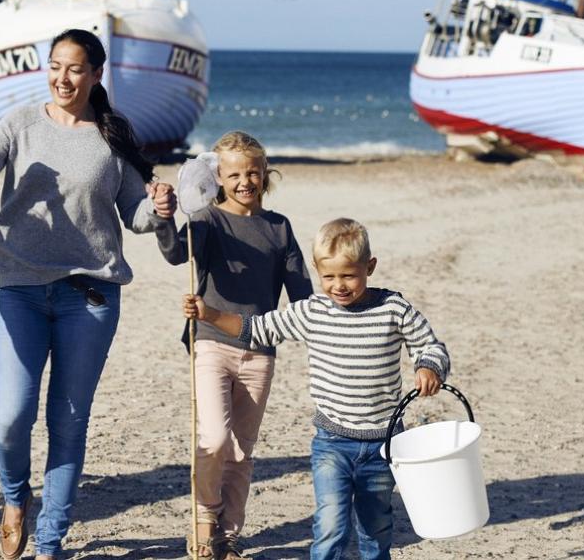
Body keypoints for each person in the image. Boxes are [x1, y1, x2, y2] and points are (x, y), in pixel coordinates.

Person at [0, 28, 176, 560]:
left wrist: (159, 206)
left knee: (68, 421)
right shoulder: (20, 123)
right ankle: (13, 497)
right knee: (10, 417)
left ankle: (50, 541)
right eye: (54, 66)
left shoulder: (113, 139)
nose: (62, 78)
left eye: (74, 68)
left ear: (96, 75)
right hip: (18, 287)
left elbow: (136, 216)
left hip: (89, 296)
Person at [183, 218, 451, 560]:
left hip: (383, 445)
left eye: (348, 276)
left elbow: (431, 345)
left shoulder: (393, 309)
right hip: (332, 444)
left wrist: (428, 366)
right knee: (331, 525)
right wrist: (210, 314)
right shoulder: (312, 311)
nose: (338, 286)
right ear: (317, 270)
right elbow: (258, 328)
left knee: (376, 527)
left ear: (370, 267)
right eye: (329, 277)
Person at [154, 131, 311, 560]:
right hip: (211, 343)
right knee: (215, 438)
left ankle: (229, 534)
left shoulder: (279, 228)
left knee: (242, 449)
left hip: (261, 351)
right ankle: (204, 519)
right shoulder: (207, 219)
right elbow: (174, 253)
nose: (245, 181)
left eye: (253, 172)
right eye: (235, 174)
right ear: (218, 178)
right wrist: (165, 218)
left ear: (266, 174)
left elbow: (302, 296)